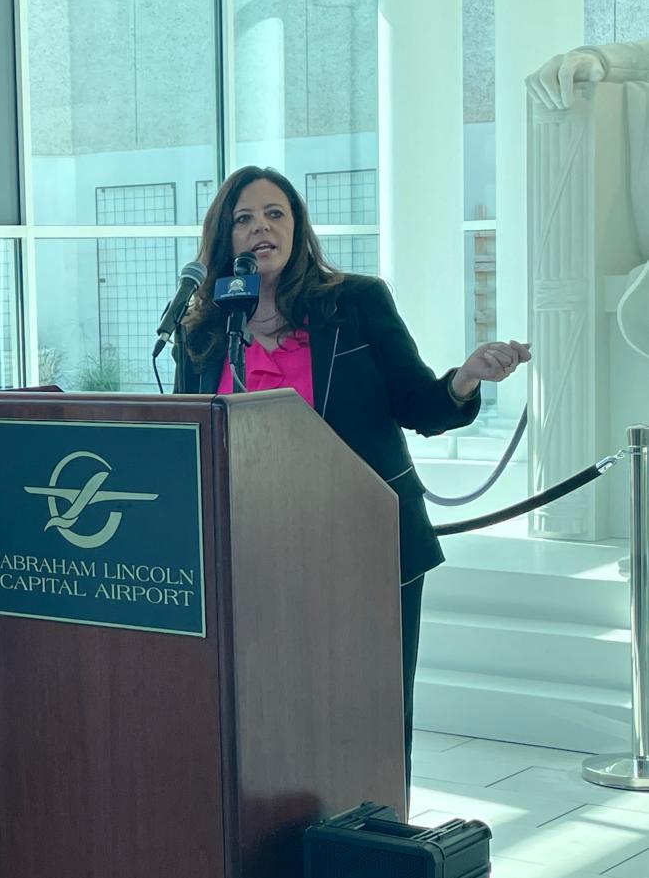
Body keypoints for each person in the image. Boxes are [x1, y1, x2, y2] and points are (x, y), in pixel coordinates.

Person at [174, 166, 531, 788]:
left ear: (297, 226)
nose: (262, 228)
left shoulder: (356, 302)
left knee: (372, 712)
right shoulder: (202, 329)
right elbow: (189, 436)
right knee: (271, 713)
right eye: (245, 218)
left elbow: (418, 404)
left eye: (276, 214)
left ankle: (375, 851)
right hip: (252, 550)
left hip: (363, 540)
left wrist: (466, 376)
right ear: (224, 238)